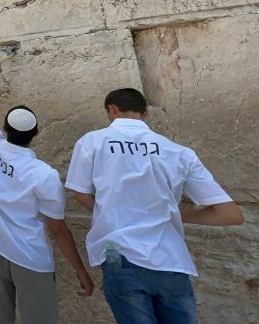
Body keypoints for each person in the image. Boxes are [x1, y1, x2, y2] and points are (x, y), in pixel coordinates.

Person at [66, 88, 243, 324]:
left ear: (111, 110)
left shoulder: (92, 142)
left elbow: (81, 194)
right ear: (146, 113)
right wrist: (179, 216)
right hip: (171, 258)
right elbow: (230, 215)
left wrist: (110, 214)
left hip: (118, 251)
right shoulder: (180, 153)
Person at [0, 63, 94, 324]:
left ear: (4, 128)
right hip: (30, 258)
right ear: (36, 133)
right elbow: (58, 229)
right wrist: (80, 270)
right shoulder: (44, 174)